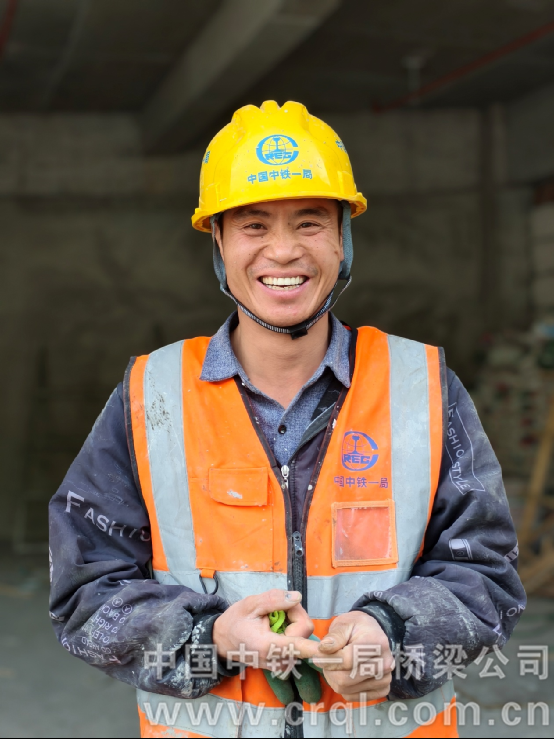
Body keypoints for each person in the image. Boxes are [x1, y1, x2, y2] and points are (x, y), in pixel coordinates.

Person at [49, 100, 525, 738]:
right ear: (218, 242)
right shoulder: (150, 396)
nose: (282, 250)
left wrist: (393, 634)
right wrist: (212, 636)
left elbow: (487, 573)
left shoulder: (422, 385)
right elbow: (85, 590)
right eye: (253, 225)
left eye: (309, 222)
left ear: (342, 238)